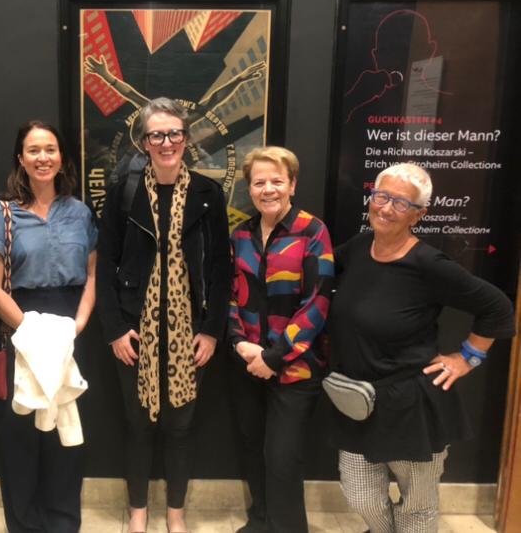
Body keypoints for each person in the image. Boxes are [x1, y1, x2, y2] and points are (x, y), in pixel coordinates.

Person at [329, 162, 515, 532]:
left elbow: (497, 307)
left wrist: (468, 357)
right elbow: (317, 271)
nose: (385, 208)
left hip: (411, 406)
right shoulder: (359, 247)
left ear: (419, 214)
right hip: (357, 400)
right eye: (381, 196)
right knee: (362, 497)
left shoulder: (430, 264)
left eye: (400, 203)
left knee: (416, 507)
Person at [96, 97, 232, 533]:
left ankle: (176, 513)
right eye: (157, 134)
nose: (167, 141)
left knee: (181, 427)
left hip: (189, 328)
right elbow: (106, 266)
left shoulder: (209, 194)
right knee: (137, 425)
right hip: (135, 328)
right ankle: (138, 512)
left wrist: (211, 331)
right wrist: (116, 328)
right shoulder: (124, 192)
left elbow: (219, 268)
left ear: (186, 139)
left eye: (175, 133)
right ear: (144, 142)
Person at [0, 121, 97, 532]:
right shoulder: (2, 213)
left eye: (50, 149)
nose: (43, 157)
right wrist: (29, 329)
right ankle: (25, 525)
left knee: (65, 433)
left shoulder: (80, 212)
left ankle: (64, 523)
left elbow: (93, 276)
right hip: (18, 329)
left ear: (62, 157)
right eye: (33, 150)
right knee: (20, 436)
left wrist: (76, 326)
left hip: (69, 329)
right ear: (20, 159)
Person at [227, 147, 334, 532]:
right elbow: (229, 295)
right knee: (252, 447)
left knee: (283, 457)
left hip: (295, 368)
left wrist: (273, 357)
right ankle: (260, 521)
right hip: (247, 364)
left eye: (276, 181)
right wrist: (240, 343)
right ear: (249, 188)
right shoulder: (241, 235)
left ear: (292, 184)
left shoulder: (313, 231)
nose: (268, 189)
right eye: (259, 182)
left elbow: (317, 302)